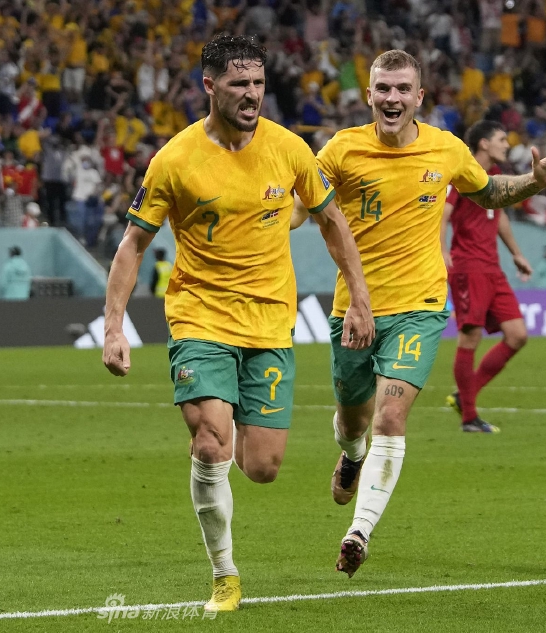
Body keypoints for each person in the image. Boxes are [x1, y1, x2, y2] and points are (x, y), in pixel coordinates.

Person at [102, 34, 373, 613]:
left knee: (263, 467)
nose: (251, 94)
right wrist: (114, 326)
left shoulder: (289, 149)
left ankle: (271, 452)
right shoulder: (174, 160)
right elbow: (133, 245)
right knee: (210, 443)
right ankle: (224, 575)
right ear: (209, 85)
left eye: (258, 83)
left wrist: (360, 297)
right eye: (238, 83)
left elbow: (332, 221)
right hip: (200, 317)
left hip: (270, 324)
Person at [292, 50, 546, 580]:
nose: (392, 98)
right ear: (369, 95)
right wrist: (263, 211)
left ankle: (359, 532)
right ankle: (352, 454)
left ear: (419, 97)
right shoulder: (341, 149)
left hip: (420, 307)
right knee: (353, 421)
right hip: (354, 308)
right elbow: (299, 207)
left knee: (391, 416)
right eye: (383, 88)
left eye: (403, 89)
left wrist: (536, 180)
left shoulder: (447, 148)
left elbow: (489, 192)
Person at [441, 120, 532, 433]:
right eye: (501, 139)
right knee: (470, 337)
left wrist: (516, 253)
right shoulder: (461, 173)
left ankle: (465, 395)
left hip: (493, 267)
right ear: (484, 143)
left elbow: (499, 215)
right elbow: (443, 213)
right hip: (468, 266)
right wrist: (442, 250)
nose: (507, 144)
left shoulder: (493, 177)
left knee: (517, 335)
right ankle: (469, 417)